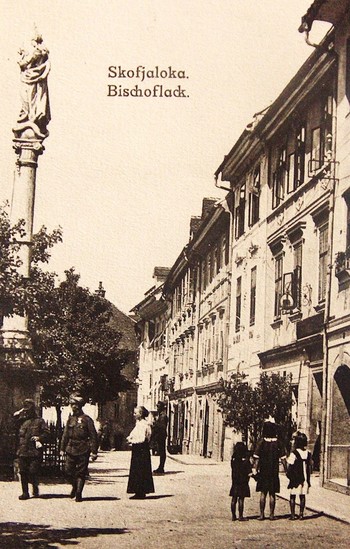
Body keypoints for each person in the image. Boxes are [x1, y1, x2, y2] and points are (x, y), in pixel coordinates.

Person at [60, 394, 98, 502]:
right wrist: (62, 449)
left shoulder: (87, 419)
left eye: (75, 405)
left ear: (80, 406)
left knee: (81, 472)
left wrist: (94, 452)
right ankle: (74, 486)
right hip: (71, 448)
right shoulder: (70, 419)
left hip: (83, 448)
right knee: (68, 471)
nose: (73, 407)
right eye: (72, 405)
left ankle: (78, 493)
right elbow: (65, 435)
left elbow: (93, 436)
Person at [14, 398, 49, 500]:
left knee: (33, 471)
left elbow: (47, 433)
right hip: (23, 450)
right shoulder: (21, 421)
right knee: (23, 472)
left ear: (33, 410)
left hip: (34, 451)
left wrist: (39, 438)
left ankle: (34, 486)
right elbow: (12, 422)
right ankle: (25, 493)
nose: (27, 412)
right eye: (25, 410)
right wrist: (19, 412)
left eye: (28, 410)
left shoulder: (39, 421)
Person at [253, 419, 286, 521]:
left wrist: (255, 469)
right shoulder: (278, 443)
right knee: (272, 493)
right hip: (273, 471)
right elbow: (283, 458)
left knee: (263, 493)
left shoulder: (261, 442)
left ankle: (262, 514)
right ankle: (271, 514)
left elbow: (257, 458)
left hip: (263, 471)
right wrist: (286, 470)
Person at [127, 406, 155, 499]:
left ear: (141, 414)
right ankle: (138, 491)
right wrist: (130, 438)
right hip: (138, 448)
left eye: (135, 413)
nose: (134, 415)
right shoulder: (138, 423)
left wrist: (132, 441)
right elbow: (133, 434)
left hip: (141, 448)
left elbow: (143, 438)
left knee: (140, 469)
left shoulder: (144, 424)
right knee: (136, 469)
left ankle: (141, 491)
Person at [286, 432, 313, 520]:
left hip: (296, 477)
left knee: (292, 495)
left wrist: (288, 474)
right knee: (302, 495)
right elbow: (310, 465)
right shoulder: (308, 453)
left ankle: (293, 514)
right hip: (305, 477)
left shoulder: (294, 453)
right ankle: (301, 514)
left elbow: (290, 464)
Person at [229, 441, 252, 521]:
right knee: (241, 499)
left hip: (235, 481)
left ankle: (233, 516)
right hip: (243, 482)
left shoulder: (233, 459)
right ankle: (241, 516)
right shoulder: (245, 461)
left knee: (234, 498)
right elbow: (249, 473)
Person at [152, 401, 168, 474]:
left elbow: (162, 426)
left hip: (161, 435)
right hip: (159, 435)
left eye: (158, 406)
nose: (157, 408)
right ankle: (160, 467)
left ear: (162, 407)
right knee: (161, 451)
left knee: (162, 451)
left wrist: (154, 424)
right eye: (157, 406)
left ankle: (161, 467)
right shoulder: (159, 415)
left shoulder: (163, 416)